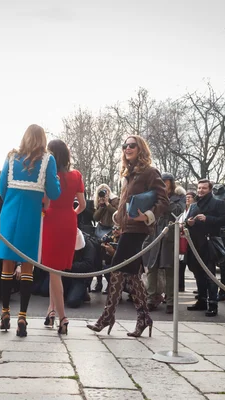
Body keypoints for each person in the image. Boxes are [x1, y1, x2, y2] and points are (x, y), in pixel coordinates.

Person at [87, 135, 169, 337]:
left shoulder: (150, 172)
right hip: (126, 227)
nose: (127, 148)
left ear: (140, 148)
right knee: (131, 275)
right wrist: (118, 217)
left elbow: (164, 200)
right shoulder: (129, 173)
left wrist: (148, 215)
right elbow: (126, 202)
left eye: (132, 145)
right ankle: (143, 318)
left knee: (116, 269)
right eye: (125, 145)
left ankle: (108, 316)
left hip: (137, 229)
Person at [0, 124, 61, 337]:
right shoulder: (47, 160)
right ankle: (22, 316)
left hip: (10, 213)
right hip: (31, 217)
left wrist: (10, 202)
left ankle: (5, 312)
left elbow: (1, 187)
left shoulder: (11, 157)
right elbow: (54, 191)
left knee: (6, 267)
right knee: (27, 269)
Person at [41, 139, 86, 335]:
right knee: (55, 270)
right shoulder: (76, 175)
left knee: (53, 271)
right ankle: (51, 311)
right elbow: (82, 205)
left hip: (51, 220)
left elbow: (45, 202)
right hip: (69, 220)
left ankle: (62, 317)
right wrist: (71, 214)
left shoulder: (50, 175)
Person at [142, 173, 185, 314]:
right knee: (151, 268)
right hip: (154, 235)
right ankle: (151, 298)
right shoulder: (154, 196)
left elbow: (177, 211)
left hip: (169, 236)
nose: (163, 185)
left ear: (171, 183)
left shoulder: (178, 197)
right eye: (161, 182)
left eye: (166, 182)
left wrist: (165, 198)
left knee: (170, 270)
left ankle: (171, 301)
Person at [186, 179, 225, 317]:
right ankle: (201, 300)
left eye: (204, 188)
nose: (200, 190)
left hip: (209, 243)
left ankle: (213, 304)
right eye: (199, 188)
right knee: (197, 274)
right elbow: (187, 223)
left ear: (210, 189)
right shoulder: (194, 205)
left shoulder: (218, 203)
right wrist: (189, 223)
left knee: (210, 275)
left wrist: (207, 218)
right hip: (194, 243)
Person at [91, 184, 119, 293]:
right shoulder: (100, 202)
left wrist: (108, 203)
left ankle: (109, 283)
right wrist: (102, 205)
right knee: (97, 256)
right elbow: (95, 217)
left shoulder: (115, 200)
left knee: (108, 257)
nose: (103, 193)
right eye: (101, 191)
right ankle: (98, 282)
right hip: (100, 229)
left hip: (111, 229)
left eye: (106, 191)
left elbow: (116, 215)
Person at [64, 230, 97, 308]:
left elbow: (88, 265)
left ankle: (82, 291)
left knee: (72, 302)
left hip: (81, 276)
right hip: (66, 274)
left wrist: (69, 266)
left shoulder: (89, 245)